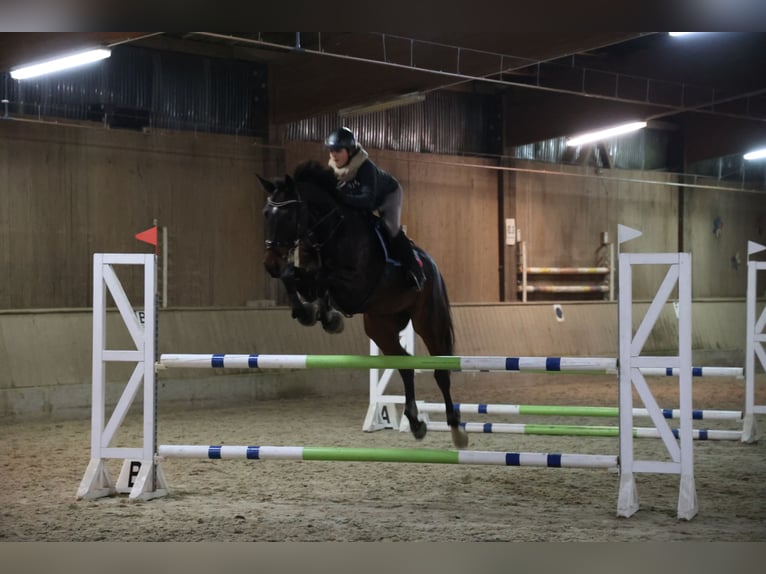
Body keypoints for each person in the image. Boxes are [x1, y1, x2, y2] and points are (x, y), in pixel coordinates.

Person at [325, 126, 425, 291]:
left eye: (337, 149)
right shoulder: (334, 170)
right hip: (362, 200)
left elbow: (367, 201)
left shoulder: (366, 168)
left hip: (387, 196)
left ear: (349, 150)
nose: (333, 154)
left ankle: (415, 268)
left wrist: (341, 198)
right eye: (331, 150)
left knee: (390, 227)